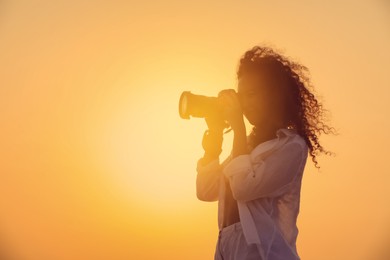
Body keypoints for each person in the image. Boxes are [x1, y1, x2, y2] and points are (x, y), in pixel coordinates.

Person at [196, 45, 334, 260]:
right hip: (226, 250)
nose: (244, 104)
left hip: (263, 253)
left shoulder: (291, 147)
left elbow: (243, 188)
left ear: (274, 96)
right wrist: (214, 140)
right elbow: (206, 191)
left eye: (251, 94)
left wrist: (238, 128)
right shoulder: (243, 148)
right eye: (240, 96)